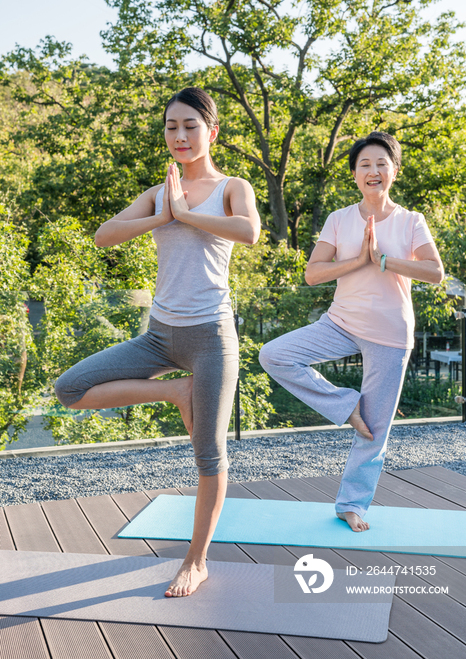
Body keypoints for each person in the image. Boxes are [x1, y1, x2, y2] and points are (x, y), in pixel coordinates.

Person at [55, 87, 261, 596]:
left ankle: (196, 561)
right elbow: (105, 235)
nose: (180, 135)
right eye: (171, 126)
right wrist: (162, 214)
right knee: (70, 389)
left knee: (209, 454)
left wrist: (187, 214)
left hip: (212, 337)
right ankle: (175, 391)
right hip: (159, 337)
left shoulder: (232, 186)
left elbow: (249, 231)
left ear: (211, 132)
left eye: (190, 126)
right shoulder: (158, 191)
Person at [259, 132, 443, 532]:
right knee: (274, 354)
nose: (373, 171)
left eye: (381, 163)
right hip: (339, 322)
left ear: (394, 170)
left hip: (390, 334)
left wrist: (384, 261)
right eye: (365, 165)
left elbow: (435, 272)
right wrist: (358, 259)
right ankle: (345, 405)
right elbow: (313, 273)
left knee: (374, 433)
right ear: (355, 175)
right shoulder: (339, 219)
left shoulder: (411, 221)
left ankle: (351, 505)